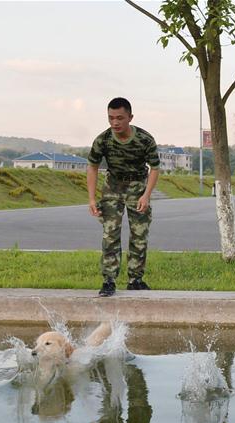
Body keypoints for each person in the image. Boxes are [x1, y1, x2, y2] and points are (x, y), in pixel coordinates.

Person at [87, 97, 160, 297]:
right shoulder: (103, 140)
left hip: (138, 186)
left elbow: (155, 168)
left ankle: (135, 279)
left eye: (120, 118)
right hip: (113, 187)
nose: (115, 123)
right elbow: (92, 167)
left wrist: (146, 195)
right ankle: (109, 280)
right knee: (110, 234)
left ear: (130, 117)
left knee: (139, 234)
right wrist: (92, 198)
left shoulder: (144, 139)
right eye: (111, 118)